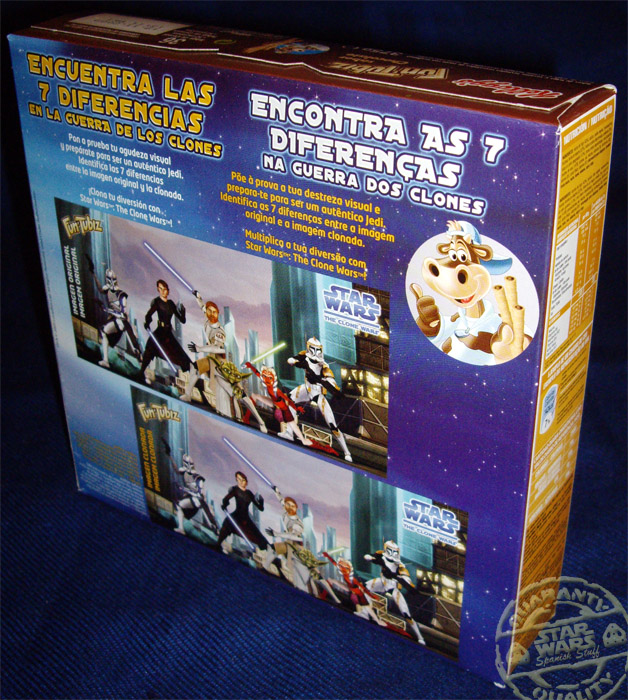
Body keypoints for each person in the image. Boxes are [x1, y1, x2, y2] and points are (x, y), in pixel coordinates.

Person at [140, 279, 190, 383]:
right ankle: (141, 372)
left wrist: (183, 313)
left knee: (180, 355)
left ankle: (189, 377)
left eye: (165, 289)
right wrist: (147, 322)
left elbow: (182, 320)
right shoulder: (157, 302)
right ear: (158, 289)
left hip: (168, 333)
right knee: (150, 348)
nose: (163, 291)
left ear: (168, 290)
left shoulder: (171, 304)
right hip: (160, 331)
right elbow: (149, 314)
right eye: (161, 289)